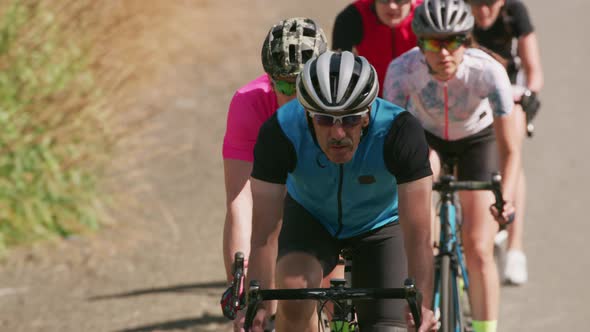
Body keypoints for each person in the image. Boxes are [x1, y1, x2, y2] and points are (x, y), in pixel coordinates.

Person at [245, 51, 438, 332]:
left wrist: (422, 304)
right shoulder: (281, 132)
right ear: (308, 114)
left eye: (349, 119)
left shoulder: (400, 131)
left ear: (367, 113)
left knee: (389, 326)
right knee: (294, 294)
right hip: (310, 218)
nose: (337, 133)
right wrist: (258, 306)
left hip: (381, 225)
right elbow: (263, 235)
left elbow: (419, 235)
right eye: (324, 119)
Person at [382, 1, 520, 331]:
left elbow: (510, 150)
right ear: (419, 44)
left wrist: (507, 199)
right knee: (421, 236)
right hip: (427, 139)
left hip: (477, 139)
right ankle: (424, 316)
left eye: (453, 41)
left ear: (465, 41)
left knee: (478, 246)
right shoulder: (401, 73)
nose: (444, 53)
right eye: (433, 43)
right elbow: (389, 142)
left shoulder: (488, 72)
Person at [220, 17, 327, 328]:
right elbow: (240, 203)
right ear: (269, 80)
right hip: (273, 196)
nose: (293, 97)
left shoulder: (337, 107)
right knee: (267, 305)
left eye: (303, 85)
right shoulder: (248, 103)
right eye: (283, 84)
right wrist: (242, 287)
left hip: (327, 198)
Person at [469, 0, 544, 286]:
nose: (483, 11)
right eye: (476, 4)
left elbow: (533, 70)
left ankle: (515, 246)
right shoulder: (457, 14)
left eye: (490, 4)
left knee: (510, 154)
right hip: (473, 93)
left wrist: (529, 95)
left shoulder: (515, 13)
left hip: (510, 93)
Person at [332, 0, 423, 96]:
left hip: (419, 100)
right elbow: (337, 70)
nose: (392, 6)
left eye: (399, 0)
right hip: (373, 98)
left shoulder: (427, 15)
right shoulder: (353, 16)